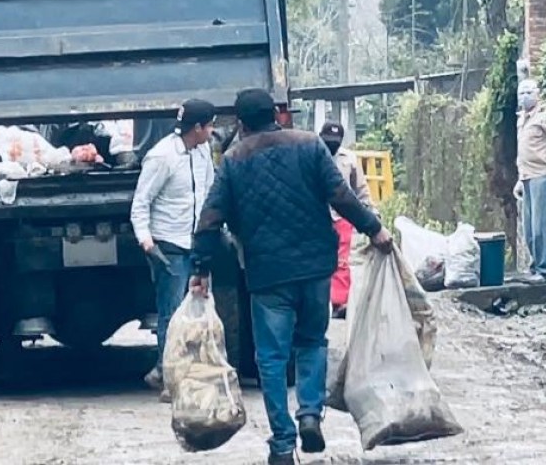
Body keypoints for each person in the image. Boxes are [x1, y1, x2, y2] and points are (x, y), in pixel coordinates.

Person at [189, 88, 392, 465]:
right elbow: (342, 196)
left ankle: (283, 442)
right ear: (278, 115)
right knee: (312, 341)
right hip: (315, 266)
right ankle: (310, 414)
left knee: (271, 356)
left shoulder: (234, 160)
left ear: (242, 123)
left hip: (268, 274)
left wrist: (200, 268)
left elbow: (210, 218)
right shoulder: (310, 145)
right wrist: (374, 229)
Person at [130, 98, 217, 395]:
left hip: (197, 240)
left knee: (196, 310)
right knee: (172, 312)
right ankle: (171, 378)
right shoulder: (162, 156)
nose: (213, 131)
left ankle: (172, 370)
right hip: (169, 244)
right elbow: (141, 202)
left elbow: (208, 191)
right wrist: (146, 241)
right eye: (210, 126)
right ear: (197, 127)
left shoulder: (203, 151)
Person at [318, 121, 377, 318]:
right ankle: (321, 301)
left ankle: (339, 303)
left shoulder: (349, 159)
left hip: (342, 217)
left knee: (342, 261)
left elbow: (360, 188)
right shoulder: (313, 155)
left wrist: (371, 212)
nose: (331, 145)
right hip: (318, 217)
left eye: (335, 142)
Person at [514, 78, 546, 284]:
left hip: (543, 173)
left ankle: (545, 270)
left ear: (537, 93)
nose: (524, 96)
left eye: (528, 92)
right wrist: (519, 179)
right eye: (521, 93)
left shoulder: (545, 116)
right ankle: (535, 267)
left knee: (541, 226)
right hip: (526, 176)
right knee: (529, 229)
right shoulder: (522, 118)